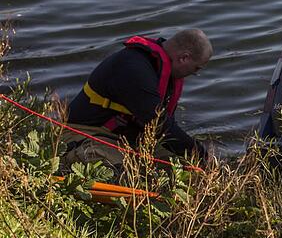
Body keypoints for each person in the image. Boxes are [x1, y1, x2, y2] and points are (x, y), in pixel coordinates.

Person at [61, 29, 213, 173]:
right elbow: (159, 125)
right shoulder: (134, 68)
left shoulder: (160, 71)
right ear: (184, 58)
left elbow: (165, 128)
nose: (194, 74)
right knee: (124, 172)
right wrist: (200, 153)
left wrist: (196, 156)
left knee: (184, 167)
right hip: (86, 132)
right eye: (196, 69)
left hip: (123, 137)